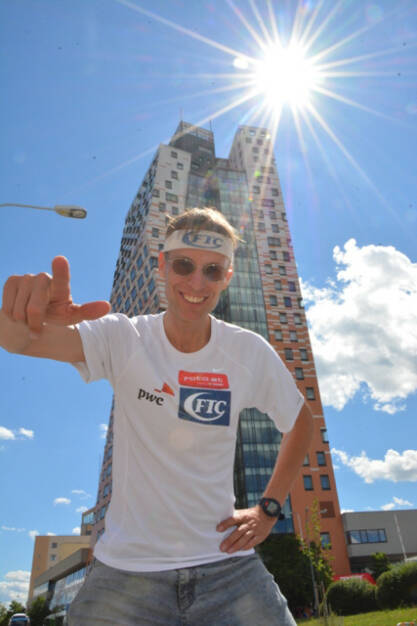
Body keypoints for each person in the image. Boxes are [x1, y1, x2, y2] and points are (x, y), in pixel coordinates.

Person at [1, 207, 313, 625]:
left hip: (226, 565)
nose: (197, 283)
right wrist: (25, 316)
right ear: (162, 264)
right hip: (126, 575)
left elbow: (301, 421)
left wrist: (269, 507)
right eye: (184, 265)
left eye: (213, 271)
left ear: (228, 277)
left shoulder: (247, 352)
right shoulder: (123, 336)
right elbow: (17, 341)